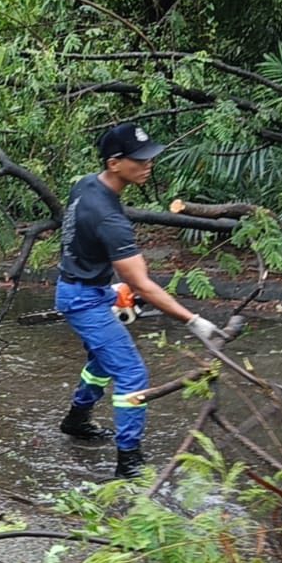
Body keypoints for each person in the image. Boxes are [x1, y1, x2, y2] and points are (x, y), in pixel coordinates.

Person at [56, 123, 220, 478]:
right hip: (83, 299)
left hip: (82, 288)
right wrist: (193, 321)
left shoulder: (85, 184)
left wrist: (112, 290)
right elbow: (143, 285)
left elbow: (79, 242)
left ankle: (76, 420)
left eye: (149, 159)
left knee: (104, 360)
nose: (148, 166)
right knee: (131, 373)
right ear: (114, 163)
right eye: (139, 160)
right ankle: (129, 461)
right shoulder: (111, 219)